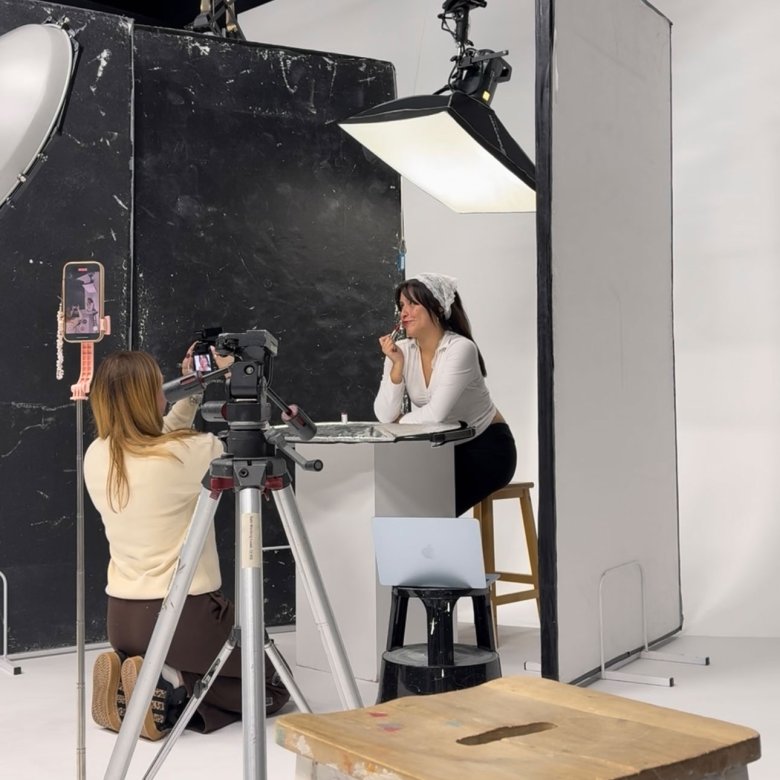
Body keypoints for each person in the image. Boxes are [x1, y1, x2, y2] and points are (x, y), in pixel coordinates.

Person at [84, 348, 289, 741]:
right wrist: (230, 381)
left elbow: (160, 440)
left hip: (122, 618)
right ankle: (171, 685)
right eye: (159, 386)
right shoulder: (187, 454)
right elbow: (190, 446)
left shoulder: (97, 455)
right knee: (273, 686)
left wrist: (192, 393)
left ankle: (138, 681)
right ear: (148, 397)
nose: (166, 392)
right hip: (182, 616)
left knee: (221, 669)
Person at [374, 273, 517, 516]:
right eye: (401, 306)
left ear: (438, 307)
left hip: (486, 447)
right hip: (443, 451)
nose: (403, 313)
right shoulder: (402, 351)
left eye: (412, 304)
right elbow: (385, 416)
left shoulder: (460, 349)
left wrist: (402, 422)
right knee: (396, 500)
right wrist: (396, 368)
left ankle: (433, 553)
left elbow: (436, 415)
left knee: (426, 509)